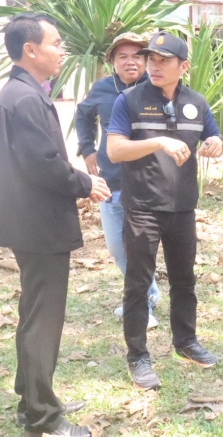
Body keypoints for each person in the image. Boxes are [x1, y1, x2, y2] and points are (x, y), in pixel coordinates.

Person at [0, 13, 111, 437]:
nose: (62, 50)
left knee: (34, 314)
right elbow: (42, 164)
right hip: (38, 225)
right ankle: (43, 418)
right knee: (43, 321)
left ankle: (33, 400)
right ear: (30, 49)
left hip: (32, 222)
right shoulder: (23, 98)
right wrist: (85, 183)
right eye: (55, 43)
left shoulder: (23, 93)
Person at [106, 31, 223, 389]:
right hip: (143, 207)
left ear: (183, 67)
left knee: (184, 280)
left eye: (164, 61)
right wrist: (158, 141)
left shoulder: (196, 102)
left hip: (182, 207)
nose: (154, 67)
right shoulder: (129, 100)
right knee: (138, 284)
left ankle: (185, 343)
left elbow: (214, 136)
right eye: (151, 60)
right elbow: (114, 150)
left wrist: (215, 143)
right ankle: (138, 356)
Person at [75, 33, 161, 329]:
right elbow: (83, 115)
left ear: (147, 60)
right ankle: (149, 290)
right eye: (122, 56)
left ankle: (142, 305)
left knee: (139, 247)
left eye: (137, 56)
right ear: (112, 61)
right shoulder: (102, 89)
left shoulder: (157, 87)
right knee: (116, 246)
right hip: (112, 181)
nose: (130, 62)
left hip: (149, 183)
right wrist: (87, 149)